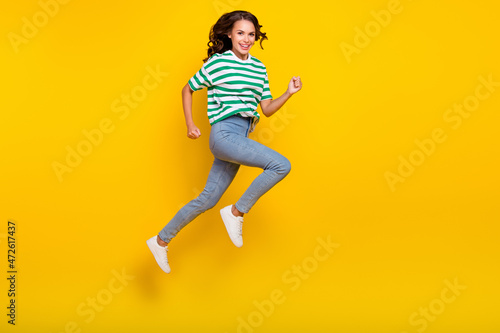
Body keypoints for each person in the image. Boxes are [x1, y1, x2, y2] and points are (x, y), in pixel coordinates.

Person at [147, 10, 302, 273]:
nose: (246, 39)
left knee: (208, 199)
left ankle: (160, 241)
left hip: (241, 137)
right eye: (240, 33)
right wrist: (190, 124)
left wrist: (287, 93)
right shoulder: (218, 63)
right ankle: (237, 212)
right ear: (229, 34)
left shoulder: (259, 67)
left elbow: (266, 108)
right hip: (224, 134)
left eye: (251, 34)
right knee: (280, 165)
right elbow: (188, 88)